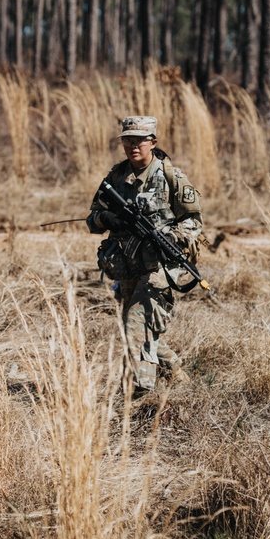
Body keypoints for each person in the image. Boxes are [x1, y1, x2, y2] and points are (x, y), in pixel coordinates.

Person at [86, 116, 203, 394]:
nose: (132, 145)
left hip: (159, 265)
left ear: (153, 142)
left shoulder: (170, 176)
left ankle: (140, 392)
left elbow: (194, 222)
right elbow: (92, 218)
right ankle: (174, 371)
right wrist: (107, 218)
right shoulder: (116, 177)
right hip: (126, 264)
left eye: (139, 140)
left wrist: (173, 236)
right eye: (127, 139)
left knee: (135, 323)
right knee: (140, 326)